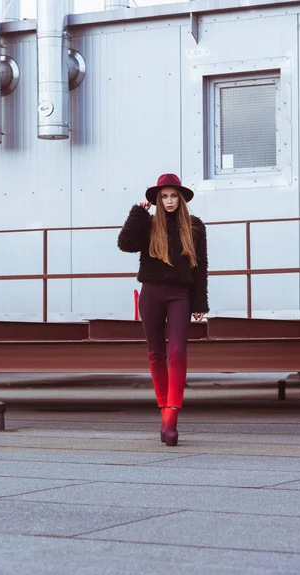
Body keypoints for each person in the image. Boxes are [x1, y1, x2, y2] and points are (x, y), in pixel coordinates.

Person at [118, 174, 209, 446]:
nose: (169, 201)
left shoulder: (195, 226)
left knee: (179, 351)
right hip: (151, 293)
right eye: (164, 196)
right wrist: (137, 213)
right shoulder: (147, 224)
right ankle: (164, 413)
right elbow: (124, 244)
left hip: (180, 294)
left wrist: (200, 302)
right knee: (156, 353)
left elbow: (200, 266)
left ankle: (171, 419)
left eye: (173, 196)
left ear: (181, 198)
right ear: (157, 199)